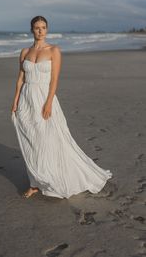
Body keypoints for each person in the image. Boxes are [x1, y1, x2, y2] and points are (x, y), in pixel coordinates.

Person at [11, 16, 113, 199]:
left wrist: (49, 102)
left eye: (43, 27)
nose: (40, 31)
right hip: (26, 99)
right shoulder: (24, 51)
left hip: (43, 98)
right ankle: (35, 183)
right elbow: (20, 79)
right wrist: (15, 100)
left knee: (47, 139)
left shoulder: (54, 51)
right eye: (36, 28)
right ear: (31, 30)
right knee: (31, 140)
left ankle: (50, 176)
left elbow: (54, 80)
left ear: (47, 29)